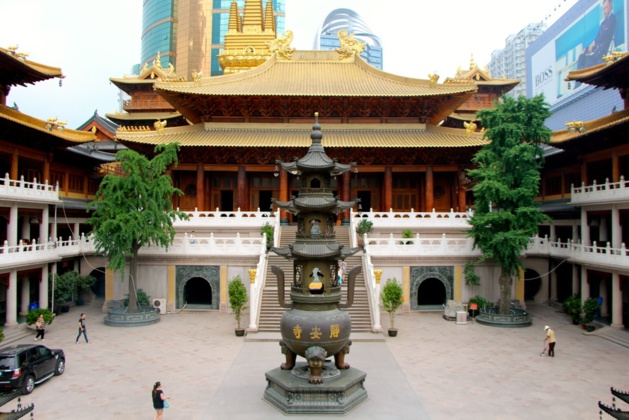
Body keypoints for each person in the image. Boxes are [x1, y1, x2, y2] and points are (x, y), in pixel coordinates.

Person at [577, 0, 616, 69]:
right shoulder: (603, 23)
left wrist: (594, 42)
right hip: (596, 54)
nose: (605, 11)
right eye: (603, 9)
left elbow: (604, 35)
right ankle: (579, 77)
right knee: (581, 56)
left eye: (606, 8)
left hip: (602, 55)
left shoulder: (612, 19)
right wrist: (585, 50)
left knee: (584, 60)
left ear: (611, 5)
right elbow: (596, 38)